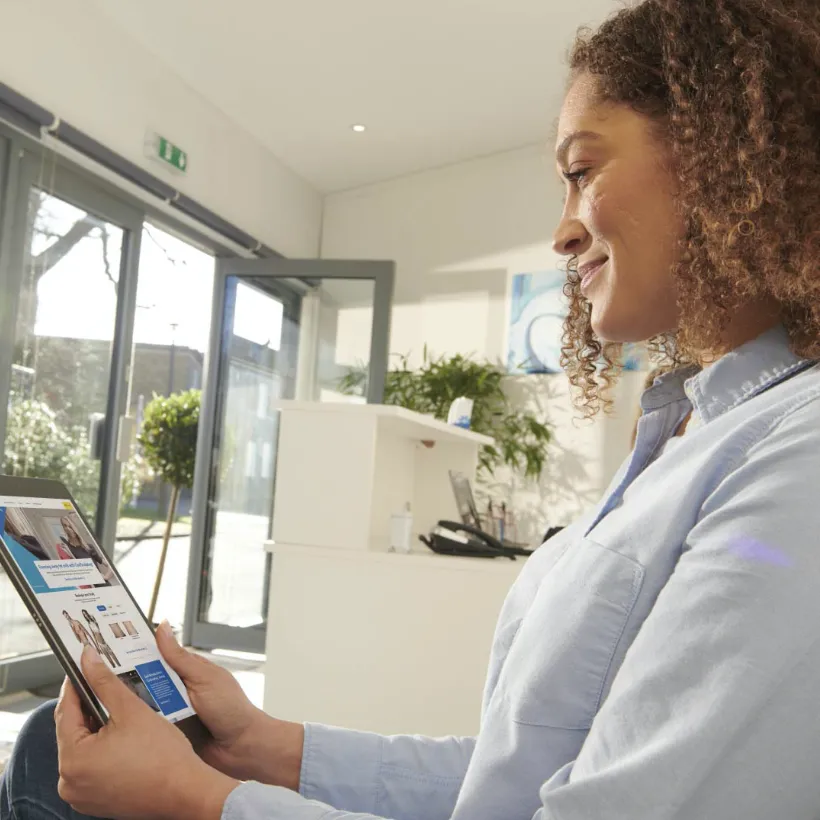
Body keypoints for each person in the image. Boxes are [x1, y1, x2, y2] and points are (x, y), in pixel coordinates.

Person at [3, 0, 820, 817]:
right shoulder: (692, 426)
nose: (563, 232)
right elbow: (518, 775)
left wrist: (199, 799)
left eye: (581, 172)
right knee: (53, 740)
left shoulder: (796, 456)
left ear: (723, 152)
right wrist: (261, 745)